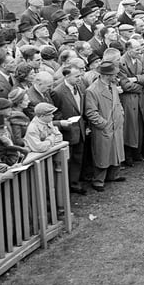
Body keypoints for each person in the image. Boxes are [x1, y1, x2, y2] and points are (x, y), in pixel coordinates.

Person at [85, 61, 126, 192]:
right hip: (104, 128)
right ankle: (98, 181)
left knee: (116, 152)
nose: (117, 77)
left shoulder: (112, 85)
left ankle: (113, 175)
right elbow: (91, 112)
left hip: (116, 125)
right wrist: (104, 124)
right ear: (107, 75)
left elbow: (117, 103)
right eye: (114, 74)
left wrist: (121, 115)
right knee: (102, 155)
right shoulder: (92, 90)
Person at [52, 65, 87, 195]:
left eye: (80, 75)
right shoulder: (58, 92)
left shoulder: (80, 87)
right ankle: (66, 186)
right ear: (66, 76)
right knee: (69, 159)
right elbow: (56, 112)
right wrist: (65, 123)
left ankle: (75, 183)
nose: (80, 78)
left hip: (80, 129)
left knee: (78, 158)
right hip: (68, 130)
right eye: (76, 76)